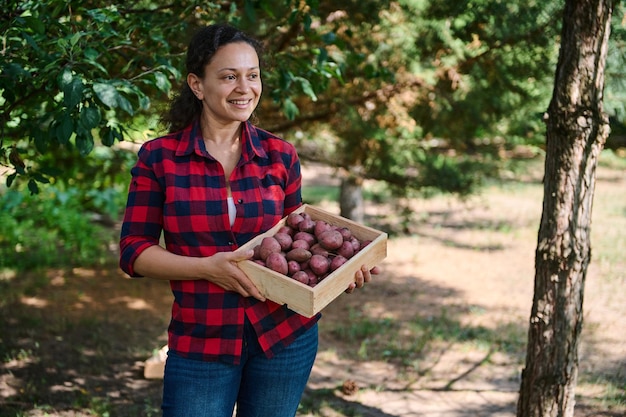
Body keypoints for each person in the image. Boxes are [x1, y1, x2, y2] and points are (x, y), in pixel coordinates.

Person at [119, 23, 377, 417]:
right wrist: (207, 269)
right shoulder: (160, 158)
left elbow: (298, 241)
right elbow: (133, 251)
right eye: (229, 76)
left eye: (252, 75)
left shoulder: (280, 155)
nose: (245, 88)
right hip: (202, 340)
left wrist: (341, 272)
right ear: (197, 84)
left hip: (285, 337)